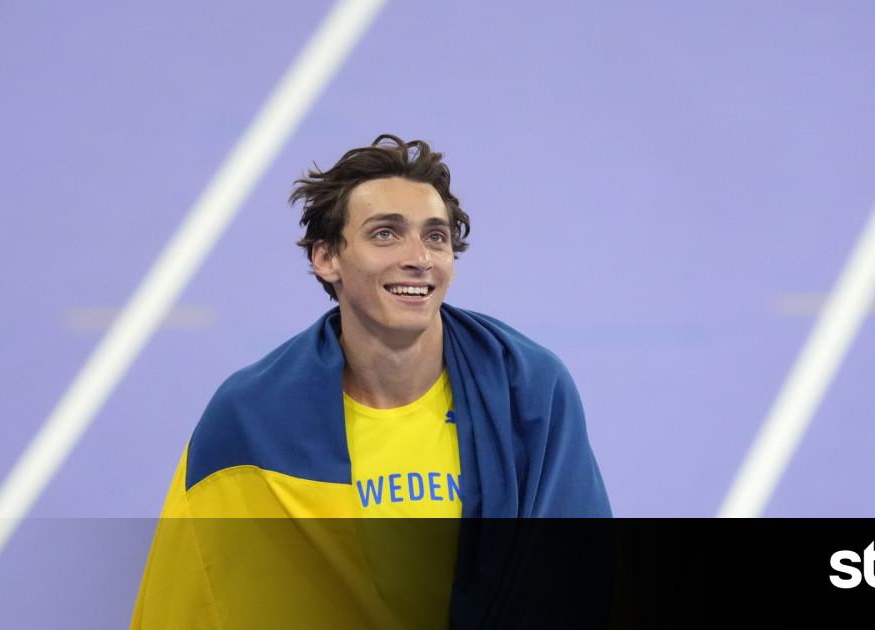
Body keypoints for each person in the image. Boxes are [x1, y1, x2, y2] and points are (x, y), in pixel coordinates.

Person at [131, 134, 611, 629]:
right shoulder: (252, 419)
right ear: (326, 258)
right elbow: (196, 592)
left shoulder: (526, 391)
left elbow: (575, 578)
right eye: (385, 234)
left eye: (436, 237)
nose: (419, 257)